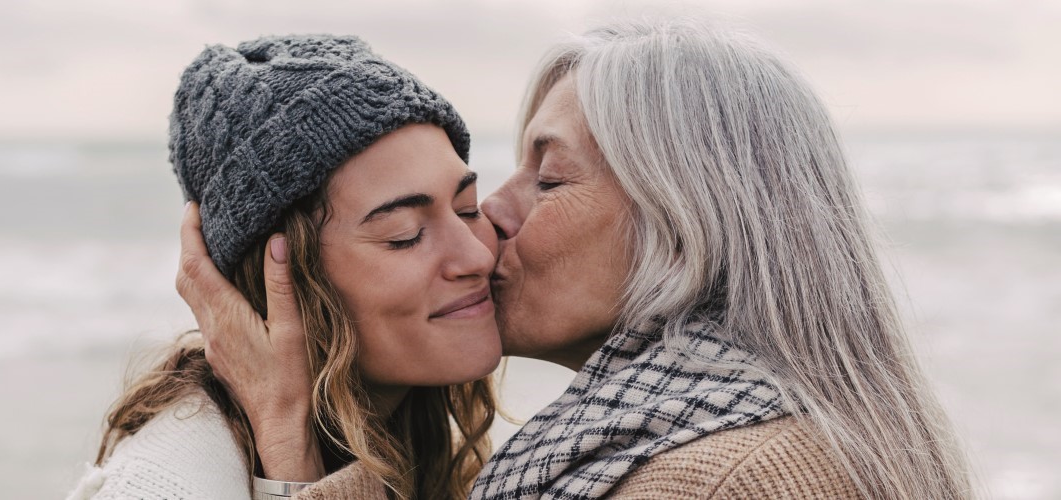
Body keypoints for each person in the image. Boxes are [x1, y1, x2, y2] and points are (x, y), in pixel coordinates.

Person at [183, 17, 975, 499]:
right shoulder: (664, 445)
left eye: (550, 177)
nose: (493, 213)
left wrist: (287, 441)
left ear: (688, 219)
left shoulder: (727, 480)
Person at [68, 35, 504, 500]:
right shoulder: (166, 484)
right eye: (403, 234)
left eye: (467, 209)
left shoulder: (412, 436)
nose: (477, 256)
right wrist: (287, 442)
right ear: (284, 279)